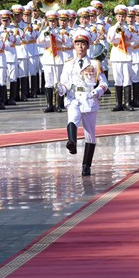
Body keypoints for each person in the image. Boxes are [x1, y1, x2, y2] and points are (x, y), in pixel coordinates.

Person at [57, 30, 109, 176]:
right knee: (72, 119)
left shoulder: (94, 63)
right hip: (74, 98)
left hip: (89, 99)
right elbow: (65, 82)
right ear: (74, 45)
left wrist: (97, 91)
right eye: (78, 44)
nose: (80, 47)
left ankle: (86, 165)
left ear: (87, 46)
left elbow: (104, 83)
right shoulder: (68, 64)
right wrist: (60, 88)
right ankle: (71, 142)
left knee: (90, 134)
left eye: (83, 44)